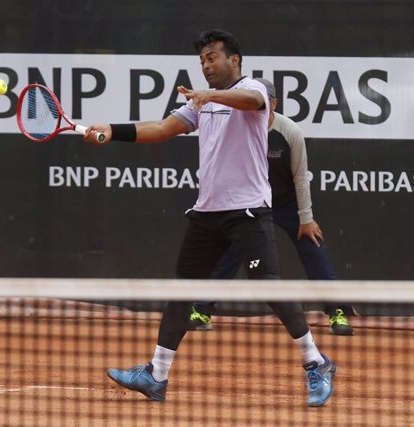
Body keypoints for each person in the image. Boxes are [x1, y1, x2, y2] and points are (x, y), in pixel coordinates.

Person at [84, 29, 336, 407]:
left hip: (247, 211)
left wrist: (210, 96)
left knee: (270, 288)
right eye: (202, 60)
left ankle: (316, 363)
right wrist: (112, 131)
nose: (205, 66)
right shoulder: (201, 104)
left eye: (212, 58)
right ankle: (156, 375)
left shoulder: (255, 88)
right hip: (207, 213)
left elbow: (251, 100)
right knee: (183, 291)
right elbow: (162, 128)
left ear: (234, 59)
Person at [189, 78, 355, 336]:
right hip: (251, 204)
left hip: (285, 203)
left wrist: (306, 218)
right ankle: (201, 310)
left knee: (312, 246)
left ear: (273, 103)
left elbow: (300, 177)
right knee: (229, 250)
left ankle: (337, 312)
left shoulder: (289, 131)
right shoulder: (235, 128)